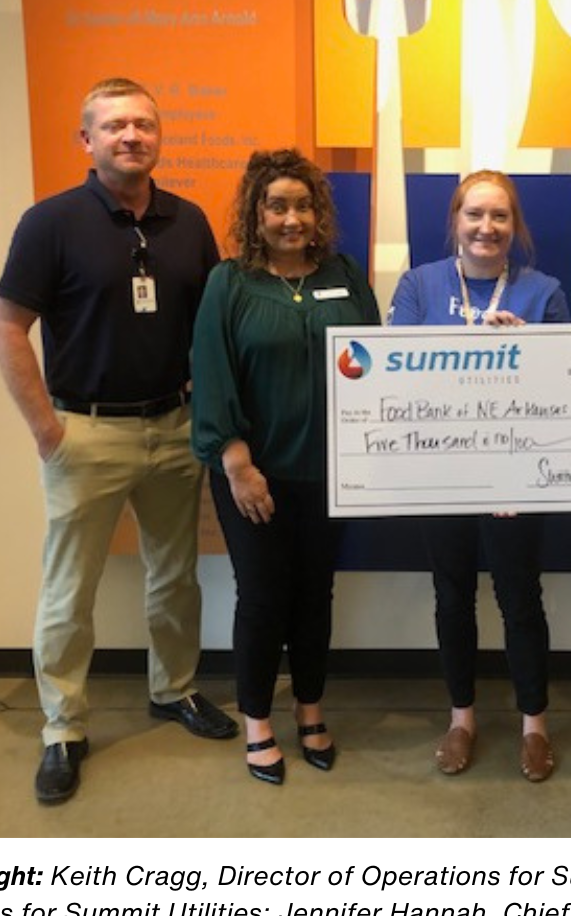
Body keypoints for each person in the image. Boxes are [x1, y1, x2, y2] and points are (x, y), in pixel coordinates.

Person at [0, 78, 236, 805]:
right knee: (71, 589)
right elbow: (6, 328)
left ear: (160, 138)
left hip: (173, 427)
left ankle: (175, 690)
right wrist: (46, 430)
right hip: (85, 432)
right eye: (114, 126)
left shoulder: (187, 223)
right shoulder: (50, 223)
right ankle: (62, 728)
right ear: (87, 140)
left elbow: (209, 334)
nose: (131, 136)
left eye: (143, 125)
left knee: (175, 577)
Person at [191, 149, 380, 786]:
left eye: (303, 204)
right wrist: (239, 463)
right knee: (263, 596)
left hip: (330, 474)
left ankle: (310, 710)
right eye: (277, 205)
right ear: (257, 212)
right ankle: (257, 724)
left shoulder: (346, 276)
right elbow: (212, 375)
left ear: (318, 212)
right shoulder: (231, 282)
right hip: (255, 477)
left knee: (314, 596)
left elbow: (377, 364)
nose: (291, 217)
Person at [387, 170, 571, 782]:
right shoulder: (419, 284)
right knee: (452, 596)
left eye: (499, 216)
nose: (486, 228)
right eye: (474, 215)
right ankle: (461, 719)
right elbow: (394, 374)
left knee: (520, 598)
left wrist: (530, 353)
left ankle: (534, 726)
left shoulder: (543, 291)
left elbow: (566, 389)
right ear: (455, 221)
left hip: (516, 476)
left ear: (514, 226)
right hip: (442, 471)